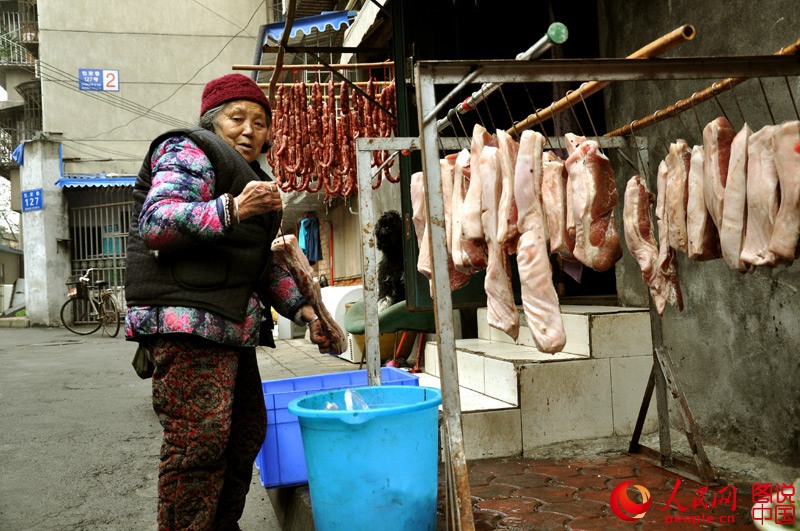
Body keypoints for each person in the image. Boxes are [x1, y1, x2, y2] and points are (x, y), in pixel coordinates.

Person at [124, 73, 330, 530]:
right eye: (237, 118)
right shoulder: (189, 150)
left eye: (260, 122)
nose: (249, 130)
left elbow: (259, 265)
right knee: (198, 441)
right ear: (214, 122)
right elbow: (157, 221)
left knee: (245, 433)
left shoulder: (257, 180)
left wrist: (305, 310)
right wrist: (232, 209)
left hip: (228, 327)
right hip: (187, 321)